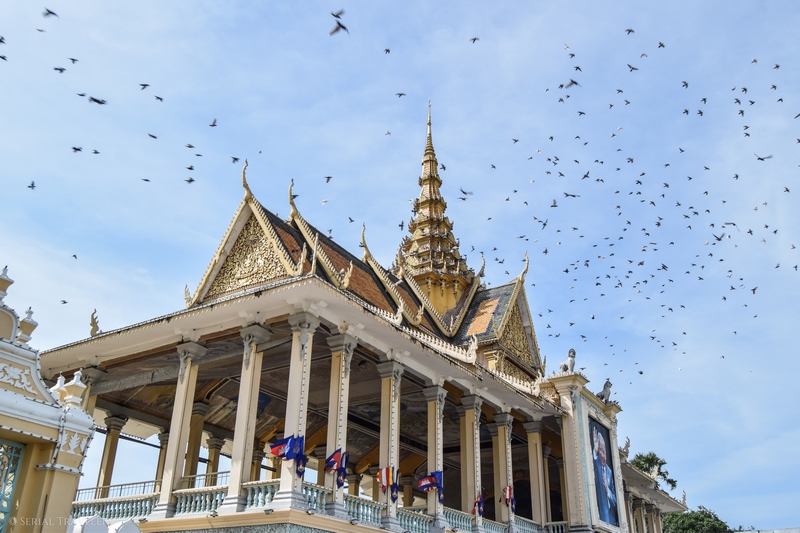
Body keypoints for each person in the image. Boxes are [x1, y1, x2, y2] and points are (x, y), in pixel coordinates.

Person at [592, 427, 618, 525]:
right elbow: (593, 462)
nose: (603, 456)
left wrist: (608, 491)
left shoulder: (609, 472)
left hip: (611, 519)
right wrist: (595, 449)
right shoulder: (597, 465)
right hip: (600, 515)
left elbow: (615, 500)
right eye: (600, 452)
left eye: (604, 452)